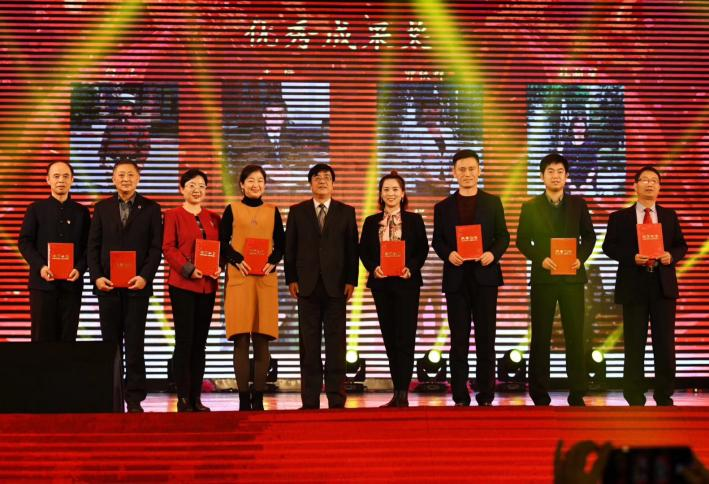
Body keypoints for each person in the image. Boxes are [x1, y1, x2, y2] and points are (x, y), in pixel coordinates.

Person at [602, 165, 687, 406]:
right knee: (634, 342)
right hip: (634, 285)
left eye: (654, 180)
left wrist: (671, 255)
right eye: (644, 179)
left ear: (659, 187)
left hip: (662, 286)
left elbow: (681, 245)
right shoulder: (619, 217)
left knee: (664, 342)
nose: (650, 184)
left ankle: (664, 393)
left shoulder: (669, 216)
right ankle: (634, 394)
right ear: (635, 185)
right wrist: (631, 257)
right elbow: (609, 247)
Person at [516, 152, 596, 406]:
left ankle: (577, 391)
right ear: (542, 176)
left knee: (575, 334)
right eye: (550, 171)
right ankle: (539, 392)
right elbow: (522, 240)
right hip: (544, 278)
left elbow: (589, 237)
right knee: (541, 336)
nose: (555, 176)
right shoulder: (530, 206)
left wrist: (580, 258)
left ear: (567, 176)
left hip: (572, 278)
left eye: (560, 171)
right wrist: (540, 259)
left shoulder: (578, 205)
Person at [432, 149, 510, 406]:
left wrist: (492, 254)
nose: (467, 174)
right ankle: (459, 394)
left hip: (485, 277)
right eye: (461, 169)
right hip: (456, 280)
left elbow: (504, 236)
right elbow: (437, 241)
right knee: (459, 340)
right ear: (454, 173)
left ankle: (486, 394)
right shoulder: (443, 207)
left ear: (479, 170)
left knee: (486, 338)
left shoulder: (492, 202)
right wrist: (449, 254)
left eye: (471, 169)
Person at [87, 160, 162, 413]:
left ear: (138, 179)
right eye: (121, 175)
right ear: (113, 179)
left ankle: (134, 397)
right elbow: (93, 246)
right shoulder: (101, 208)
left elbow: (155, 248)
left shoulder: (151, 209)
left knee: (135, 342)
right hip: (107, 287)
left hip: (137, 287)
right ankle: (110, 394)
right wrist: (97, 277)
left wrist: (144, 277)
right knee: (110, 343)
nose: (126, 179)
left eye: (130, 175)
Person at [285, 163, 359, 409]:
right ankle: (310, 399)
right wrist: (291, 278)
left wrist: (351, 280)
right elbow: (290, 248)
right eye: (316, 177)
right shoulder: (297, 211)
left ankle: (336, 398)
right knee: (309, 346)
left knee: (336, 344)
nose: (322, 181)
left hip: (336, 286)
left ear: (333, 184)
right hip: (306, 286)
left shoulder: (346, 212)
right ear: (310, 184)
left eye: (327, 177)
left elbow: (352, 249)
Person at [359, 171, 429, 407]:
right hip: (382, 285)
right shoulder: (371, 222)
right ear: (380, 194)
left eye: (395, 189)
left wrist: (411, 268)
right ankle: (396, 390)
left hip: (407, 283)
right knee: (389, 337)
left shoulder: (414, 220)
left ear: (403, 193)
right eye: (386, 189)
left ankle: (403, 392)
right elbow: (363, 250)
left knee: (405, 338)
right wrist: (374, 268)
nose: (390, 193)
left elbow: (422, 249)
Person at [220, 164, 285, 411]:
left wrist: (273, 260)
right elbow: (222, 242)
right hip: (240, 277)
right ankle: (243, 398)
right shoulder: (232, 209)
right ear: (242, 184)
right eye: (250, 181)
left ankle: (258, 397)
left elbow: (281, 243)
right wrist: (236, 258)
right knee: (240, 339)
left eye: (260, 181)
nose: (255, 185)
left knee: (262, 338)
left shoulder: (272, 211)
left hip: (264, 280)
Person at [162, 169, 221, 412]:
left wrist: (218, 266)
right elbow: (168, 248)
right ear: (182, 189)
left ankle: (197, 397)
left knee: (200, 343)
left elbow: (219, 248)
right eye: (192, 185)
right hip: (183, 285)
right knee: (184, 341)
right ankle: (183, 397)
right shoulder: (173, 215)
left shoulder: (214, 217)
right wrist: (188, 269)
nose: (197, 190)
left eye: (201, 186)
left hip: (207, 286)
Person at [18, 161, 91, 342]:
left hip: (71, 285)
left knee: (68, 339)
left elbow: (89, 247)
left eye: (66, 176)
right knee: (41, 338)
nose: (61, 180)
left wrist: (79, 268)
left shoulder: (82, 212)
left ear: (72, 180)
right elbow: (25, 242)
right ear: (48, 179)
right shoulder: (35, 209)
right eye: (56, 176)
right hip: (42, 284)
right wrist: (41, 267)